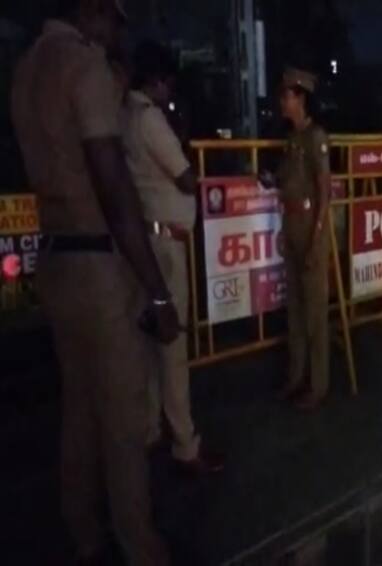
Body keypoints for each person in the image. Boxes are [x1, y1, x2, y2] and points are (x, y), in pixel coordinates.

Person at [11, 1, 176, 564]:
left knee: (78, 410)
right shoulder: (85, 69)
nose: (116, 32)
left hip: (56, 259)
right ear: (91, 11)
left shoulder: (27, 66)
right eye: (114, 18)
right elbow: (113, 186)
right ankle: (140, 547)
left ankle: (83, 533)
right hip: (99, 264)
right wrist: (156, 289)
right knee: (123, 419)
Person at [122, 40, 224, 474]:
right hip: (165, 246)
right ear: (158, 81)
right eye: (169, 85)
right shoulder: (149, 119)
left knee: (145, 344)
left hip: (141, 242)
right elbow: (185, 178)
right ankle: (185, 442)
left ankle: (149, 429)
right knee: (172, 345)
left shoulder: (123, 114)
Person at [276, 68, 332, 411]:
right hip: (294, 222)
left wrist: (316, 239)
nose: (282, 101)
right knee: (295, 312)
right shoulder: (292, 139)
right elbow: (287, 185)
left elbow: (325, 192)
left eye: (287, 96)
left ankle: (319, 385)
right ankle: (296, 378)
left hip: (312, 225)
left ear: (301, 98)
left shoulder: (315, 137)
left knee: (313, 315)